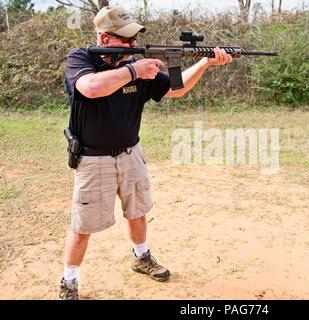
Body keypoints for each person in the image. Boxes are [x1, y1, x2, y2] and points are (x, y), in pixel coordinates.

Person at [59, 6, 232, 300]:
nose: (132, 46)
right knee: (82, 226)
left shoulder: (137, 64)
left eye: (134, 39)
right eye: (125, 40)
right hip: (93, 159)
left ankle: (142, 257)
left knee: (137, 213)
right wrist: (132, 71)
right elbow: (89, 88)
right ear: (104, 38)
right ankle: (69, 282)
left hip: (130, 154)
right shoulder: (82, 58)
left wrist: (204, 62)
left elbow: (175, 89)